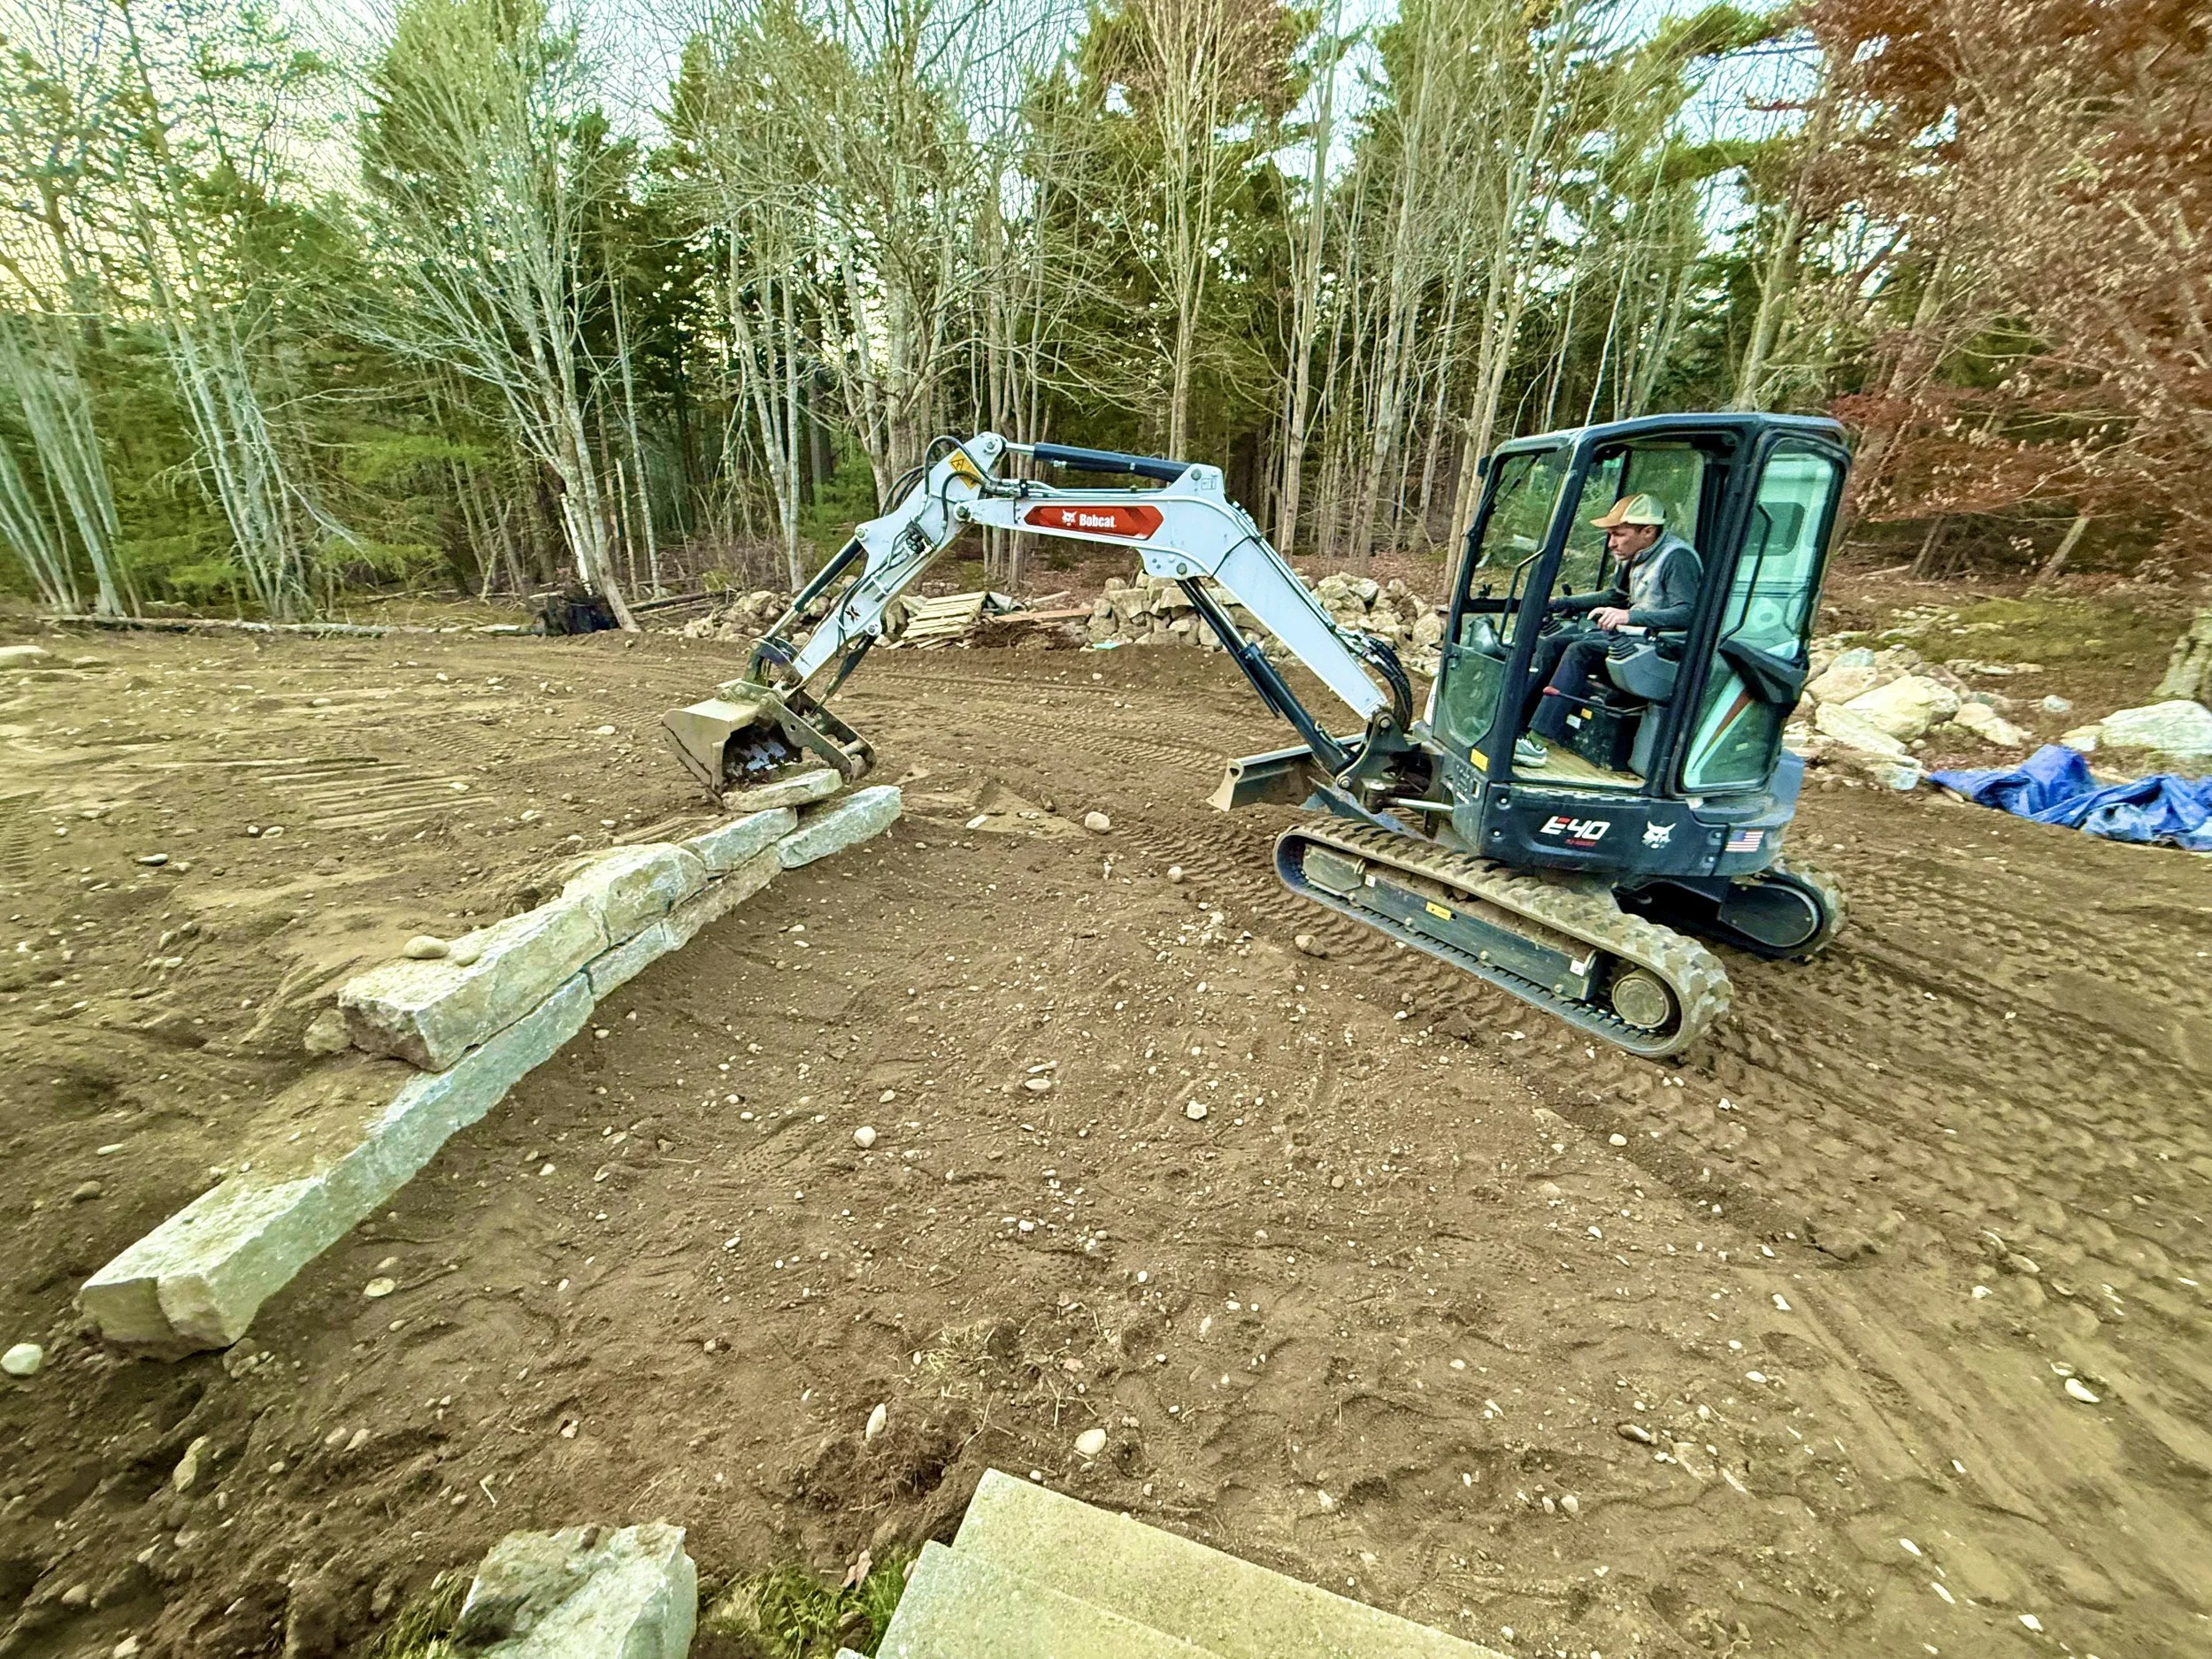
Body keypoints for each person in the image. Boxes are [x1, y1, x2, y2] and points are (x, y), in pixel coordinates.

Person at [1516, 493, 1702, 767]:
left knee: (1580, 650)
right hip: (1637, 640)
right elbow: (1615, 597)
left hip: (1663, 649)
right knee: (1553, 644)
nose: (1611, 543)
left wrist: (1629, 616)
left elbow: (1688, 614)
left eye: (1619, 534)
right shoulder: (1636, 556)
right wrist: (1562, 603)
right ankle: (1517, 726)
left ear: (1648, 531)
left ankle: (1537, 742)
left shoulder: (1676, 558)